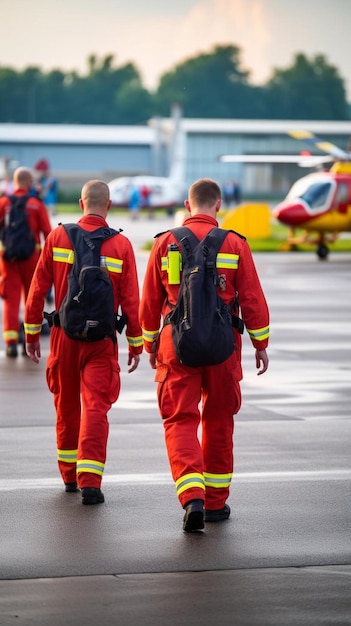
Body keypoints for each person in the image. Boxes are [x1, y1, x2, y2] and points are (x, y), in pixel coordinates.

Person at [139, 178, 269, 532]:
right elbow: (253, 299)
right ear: (219, 205)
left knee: (179, 419)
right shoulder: (235, 244)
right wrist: (260, 343)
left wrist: (150, 345)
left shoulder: (165, 242)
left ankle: (192, 494)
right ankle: (215, 503)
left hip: (175, 344)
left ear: (186, 205)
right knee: (218, 420)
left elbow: (150, 301)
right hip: (223, 346)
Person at [24, 180, 143, 505]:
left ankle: (69, 476)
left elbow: (37, 291)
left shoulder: (58, 237)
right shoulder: (121, 245)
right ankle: (91, 481)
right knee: (95, 408)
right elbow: (132, 301)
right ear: (109, 205)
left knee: (66, 406)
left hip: (65, 337)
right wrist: (136, 343)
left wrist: (32, 333)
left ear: (81, 203)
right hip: (102, 341)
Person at [0, 167, 52, 357]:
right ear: (29, 183)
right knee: (32, 299)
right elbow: (48, 234)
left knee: (10, 299)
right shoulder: (36, 205)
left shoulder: (3, 203)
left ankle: (11, 342)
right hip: (32, 259)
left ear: (14, 183)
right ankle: (30, 339)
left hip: (8, 259)